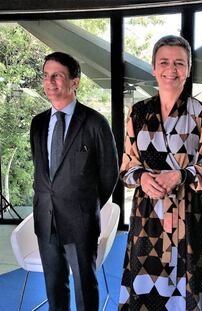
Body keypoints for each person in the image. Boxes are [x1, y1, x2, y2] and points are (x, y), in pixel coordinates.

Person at [118, 35, 202, 310]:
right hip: (147, 216)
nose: (171, 69)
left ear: (188, 69)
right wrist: (141, 177)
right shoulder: (137, 112)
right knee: (146, 286)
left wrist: (180, 175)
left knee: (189, 286)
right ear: (153, 68)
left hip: (190, 215)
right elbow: (127, 166)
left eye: (179, 63)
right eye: (164, 62)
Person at [30, 51, 119, 311]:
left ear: (75, 82)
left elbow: (109, 173)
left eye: (57, 76)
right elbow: (41, 170)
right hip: (46, 218)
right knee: (54, 284)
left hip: (80, 219)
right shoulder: (38, 123)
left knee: (84, 285)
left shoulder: (95, 123)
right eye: (46, 76)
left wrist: (85, 204)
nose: (50, 82)